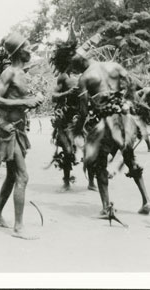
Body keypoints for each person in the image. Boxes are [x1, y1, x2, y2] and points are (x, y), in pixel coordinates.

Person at [70, 34, 150, 217]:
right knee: (130, 159)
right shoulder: (113, 66)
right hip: (124, 120)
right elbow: (132, 86)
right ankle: (146, 200)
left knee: (100, 166)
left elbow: (83, 111)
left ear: (79, 64)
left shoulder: (84, 78)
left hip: (105, 125)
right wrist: (126, 105)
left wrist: (78, 130)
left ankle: (106, 207)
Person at [0, 32, 44, 239]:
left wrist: (32, 100)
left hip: (18, 130)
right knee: (22, 176)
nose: (31, 50)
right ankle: (19, 227)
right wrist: (24, 103)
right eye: (28, 47)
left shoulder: (22, 74)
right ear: (20, 51)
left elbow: (18, 100)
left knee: (12, 175)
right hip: (7, 130)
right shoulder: (9, 73)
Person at [49, 41, 97, 191]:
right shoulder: (63, 77)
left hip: (85, 115)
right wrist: (66, 93)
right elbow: (53, 96)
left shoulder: (86, 74)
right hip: (68, 117)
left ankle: (91, 182)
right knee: (68, 150)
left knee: (90, 150)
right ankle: (66, 181)